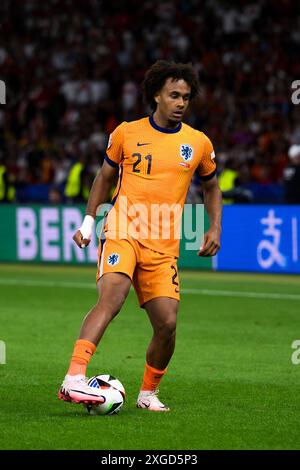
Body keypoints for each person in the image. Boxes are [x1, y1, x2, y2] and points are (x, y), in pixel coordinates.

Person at [58, 61, 222, 411]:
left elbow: (212, 186)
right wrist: (89, 222)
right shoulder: (126, 133)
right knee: (112, 298)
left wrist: (214, 226)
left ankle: (147, 393)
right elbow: (104, 178)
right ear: (156, 96)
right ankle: (74, 376)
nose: (181, 103)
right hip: (123, 230)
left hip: (163, 244)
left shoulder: (197, 142)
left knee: (167, 323)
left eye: (186, 97)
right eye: (174, 95)